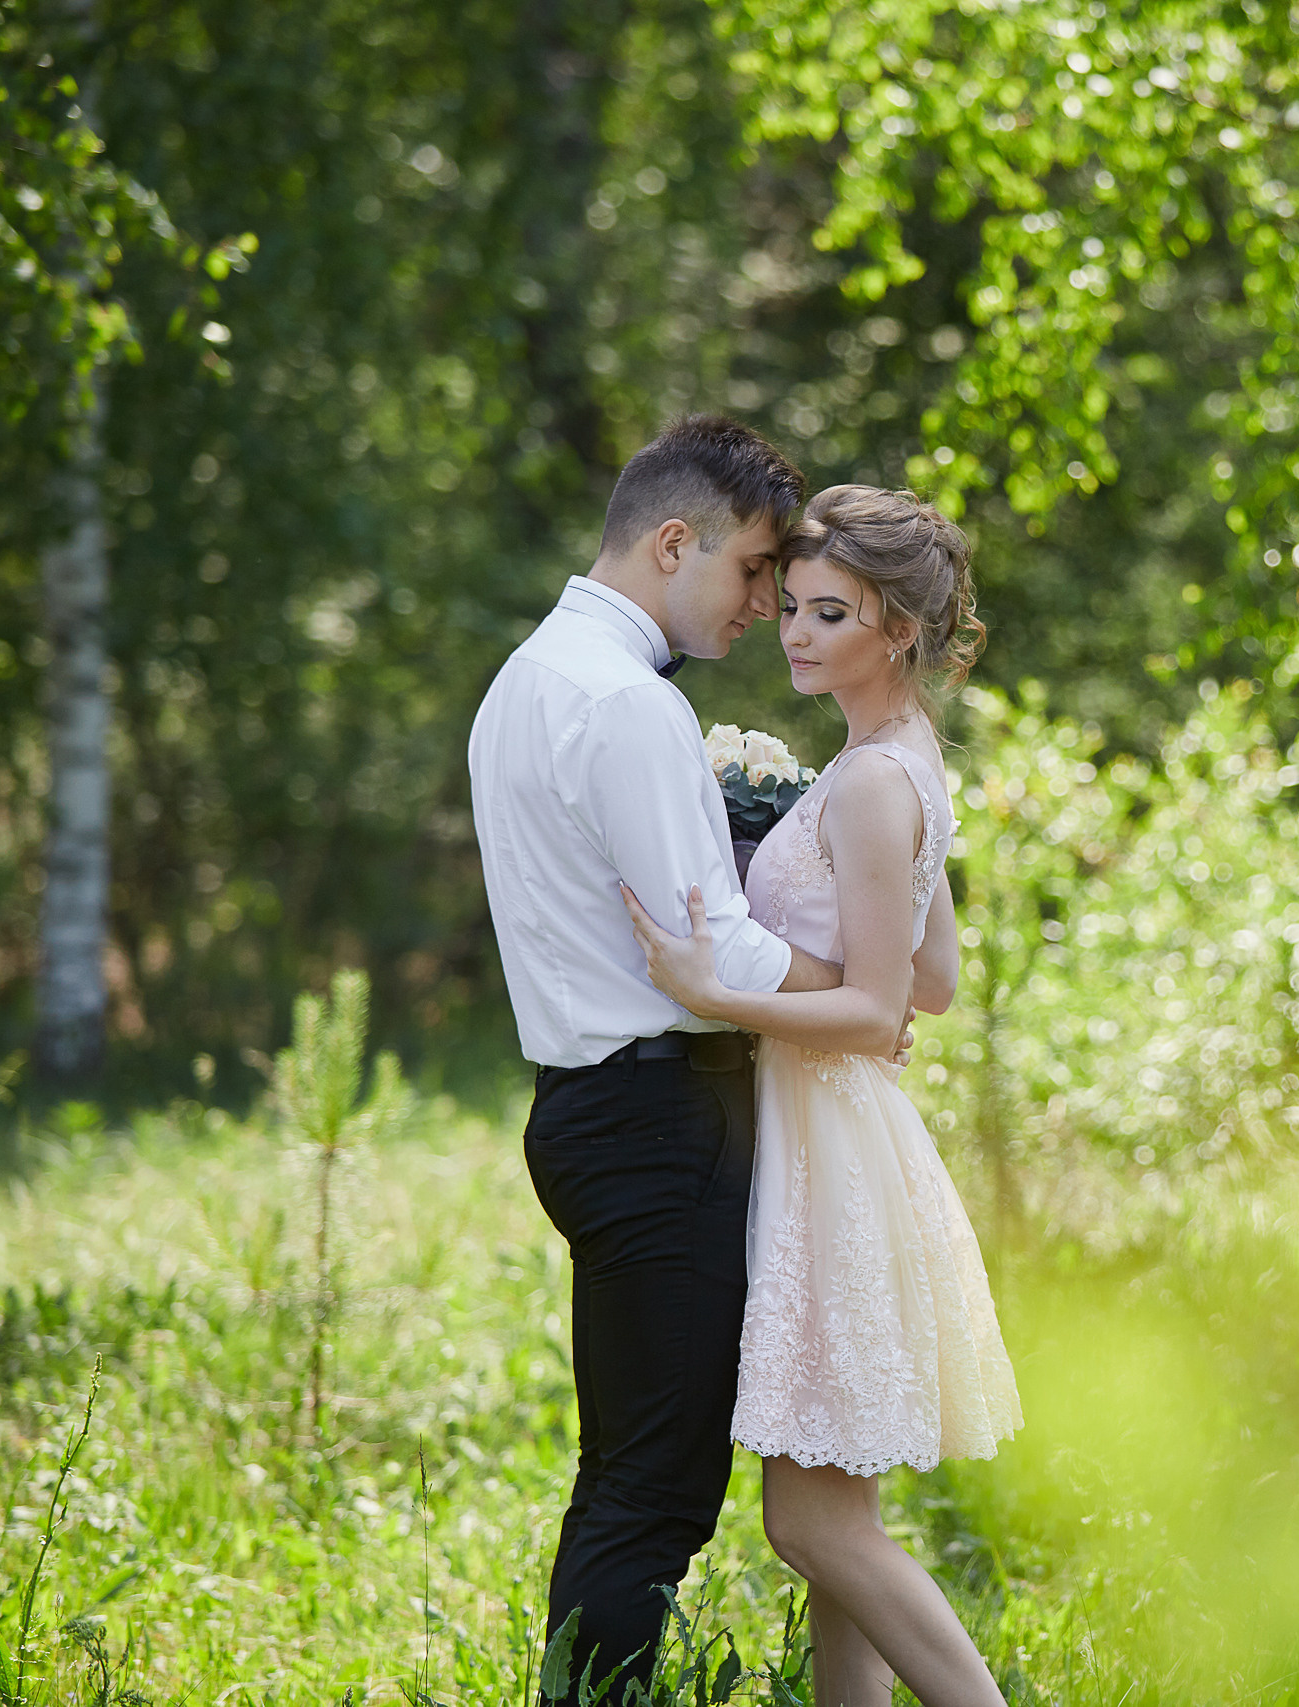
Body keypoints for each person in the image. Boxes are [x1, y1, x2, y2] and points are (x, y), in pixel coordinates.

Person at [467, 419, 953, 1700]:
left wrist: (855, 980)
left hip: (603, 1109)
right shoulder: (626, 704)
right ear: (672, 542)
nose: (761, 609)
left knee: (703, 1486)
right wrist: (855, 993)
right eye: (752, 576)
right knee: (651, 1494)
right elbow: (719, 952)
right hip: (655, 1123)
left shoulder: (530, 676)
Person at [621, 484, 1020, 1707]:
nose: (793, 631)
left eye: (828, 612)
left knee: (813, 1526)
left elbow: (878, 1010)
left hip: (831, 1151)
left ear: (897, 627)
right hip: (842, 1141)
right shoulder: (896, 761)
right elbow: (936, 983)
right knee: (834, 1521)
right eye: (788, 604)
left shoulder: (861, 783)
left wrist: (716, 987)